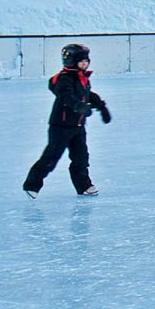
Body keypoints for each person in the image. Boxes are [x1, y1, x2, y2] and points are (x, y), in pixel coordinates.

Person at [23, 43, 111, 199]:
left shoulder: (81, 78)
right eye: (81, 60)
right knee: (51, 157)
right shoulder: (64, 79)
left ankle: (84, 186)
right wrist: (79, 106)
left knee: (81, 157)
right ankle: (32, 185)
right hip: (60, 126)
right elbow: (66, 96)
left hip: (78, 126)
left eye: (86, 60)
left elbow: (87, 94)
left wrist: (101, 106)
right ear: (70, 61)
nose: (85, 63)